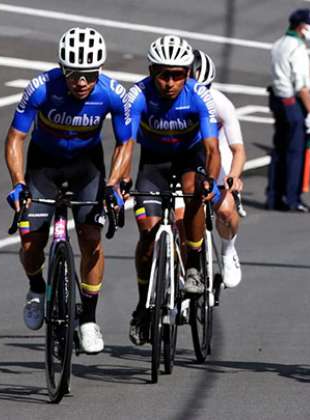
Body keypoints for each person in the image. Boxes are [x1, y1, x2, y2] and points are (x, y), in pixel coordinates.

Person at [4, 27, 132, 354]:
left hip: (86, 167)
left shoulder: (112, 93)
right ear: (63, 69)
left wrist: (114, 184)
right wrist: (18, 183)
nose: (81, 82)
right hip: (43, 164)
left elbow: (124, 142)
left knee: (90, 238)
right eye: (74, 74)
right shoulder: (40, 89)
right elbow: (16, 138)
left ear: (98, 71)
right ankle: (36, 287)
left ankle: (88, 318)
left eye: (89, 75)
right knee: (31, 239)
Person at [124, 35, 220, 345]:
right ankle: (142, 307)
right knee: (147, 238)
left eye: (177, 75)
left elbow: (212, 149)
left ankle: (193, 265)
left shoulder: (199, 97)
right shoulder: (136, 95)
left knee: (194, 193)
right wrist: (120, 181)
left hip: (189, 159)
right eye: (163, 74)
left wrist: (211, 181)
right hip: (153, 164)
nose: (169, 82)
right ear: (151, 71)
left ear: (188, 74)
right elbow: (125, 145)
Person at [188, 49, 246, 288]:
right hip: (186, 159)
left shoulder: (222, 103)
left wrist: (233, 175)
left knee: (225, 210)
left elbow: (238, 150)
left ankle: (229, 248)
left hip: (216, 157)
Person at [266, 8, 310, 212]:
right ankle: (293, 199)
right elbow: (301, 87)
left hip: (277, 98)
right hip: (291, 103)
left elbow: (284, 71)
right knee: (295, 152)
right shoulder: (298, 48)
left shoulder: (279, 43)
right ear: (302, 27)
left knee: (279, 149)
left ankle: (273, 196)